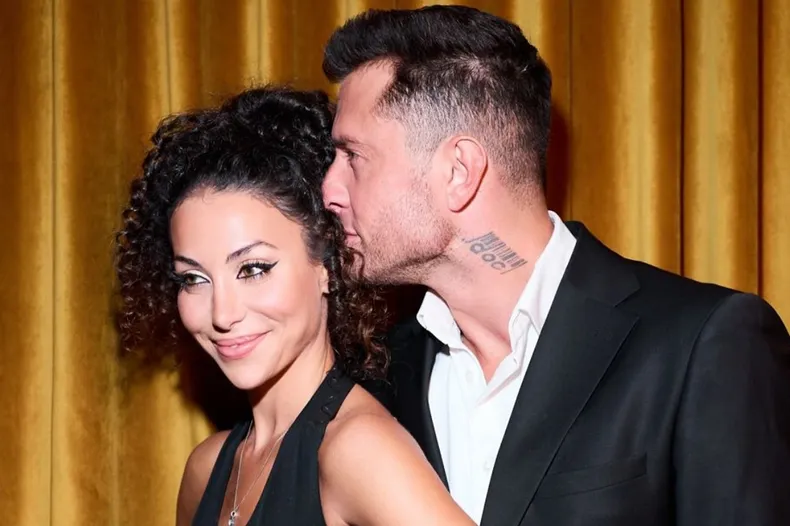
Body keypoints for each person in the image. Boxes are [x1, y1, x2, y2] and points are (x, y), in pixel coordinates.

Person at [321, 5, 790, 526]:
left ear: (459, 172)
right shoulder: (380, 370)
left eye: (353, 157)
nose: (329, 189)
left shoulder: (701, 344)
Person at [115, 86, 474, 526]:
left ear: (327, 264)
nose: (222, 314)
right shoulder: (205, 472)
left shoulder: (359, 450)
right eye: (194, 279)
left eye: (254, 269)